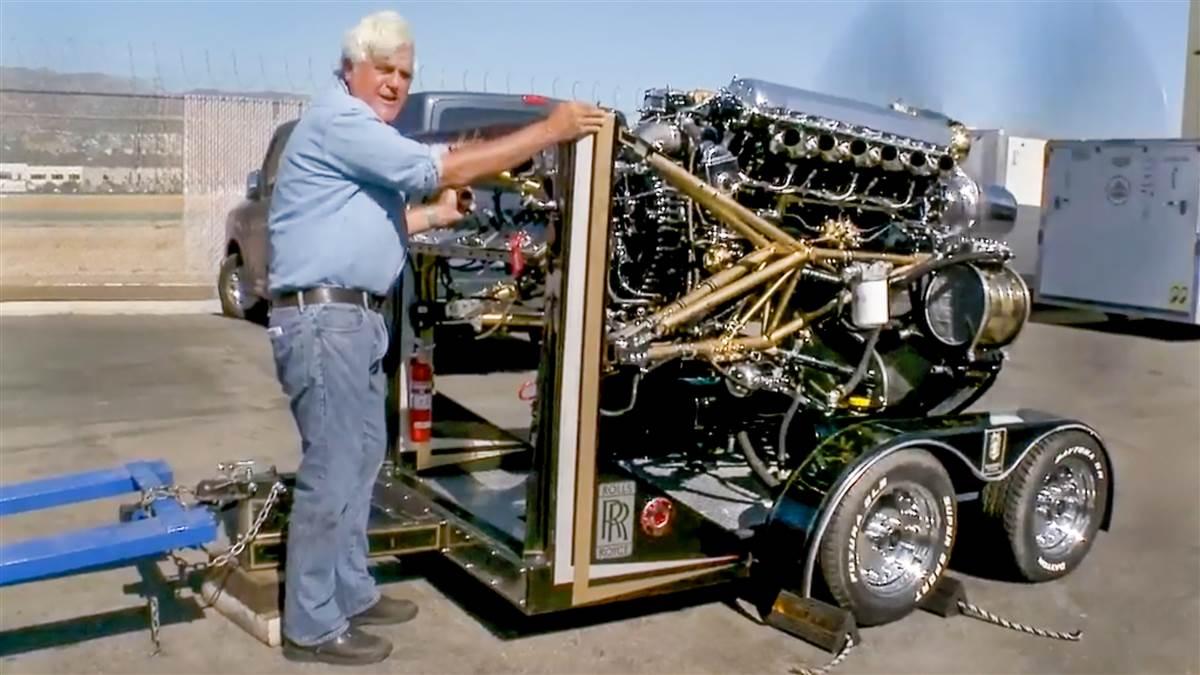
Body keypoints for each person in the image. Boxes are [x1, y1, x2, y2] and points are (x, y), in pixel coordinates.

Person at [264, 10, 607, 666]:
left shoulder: (352, 130)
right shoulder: (343, 122)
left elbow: (379, 220)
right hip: (326, 320)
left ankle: (351, 590)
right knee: (334, 468)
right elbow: (441, 165)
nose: (395, 83)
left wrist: (432, 216)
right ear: (350, 70)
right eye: (384, 70)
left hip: (354, 318)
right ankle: (312, 622)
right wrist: (550, 130)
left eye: (405, 74)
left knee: (363, 456)